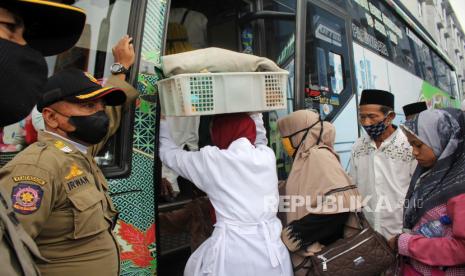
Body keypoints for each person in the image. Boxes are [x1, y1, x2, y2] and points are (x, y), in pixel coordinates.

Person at [0, 35, 138, 275]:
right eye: (87, 106)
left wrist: (120, 68)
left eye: (100, 106)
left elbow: (113, 112)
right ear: (52, 117)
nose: (99, 114)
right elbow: (8, 251)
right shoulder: (38, 167)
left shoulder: (78, 150)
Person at [0, 1, 85, 275]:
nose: (24, 47)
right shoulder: (36, 167)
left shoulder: (77, 155)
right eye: (9, 27)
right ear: (50, 116)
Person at [159, 112, 292, 276]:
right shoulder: (267, 156)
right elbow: (259, 139)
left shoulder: (214, 161)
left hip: (233, 255)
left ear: (219, 133)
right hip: (273, 252)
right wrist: (256, 114)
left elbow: (169, 153)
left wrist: (163, 123)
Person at [277, 110, 362, 274]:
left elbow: (340, 206)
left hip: (324, 252)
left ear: (300, 134)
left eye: (287, 137)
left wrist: (296, 233)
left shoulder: (317, 155)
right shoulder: (304, 158)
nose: (284, 143)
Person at [390, 109, 465, 275]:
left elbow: (462, 249)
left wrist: (407, 244)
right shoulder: (431, 173)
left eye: (419, 145)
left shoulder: (460, 187)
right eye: (411, 145)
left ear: (445, 140)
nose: (414, 152)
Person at [349, 89, 417, 239]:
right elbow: (353, 185)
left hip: (401, 231)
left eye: (372, 117)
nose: (366, 123)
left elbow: (418, 188)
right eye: (362, 117)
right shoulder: (358, 146)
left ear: (389, 117)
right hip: (368, 231)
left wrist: (407, 235)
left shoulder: (409, 144)